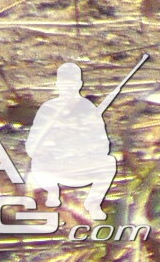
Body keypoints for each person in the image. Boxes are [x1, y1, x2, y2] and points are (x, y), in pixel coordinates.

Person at [23, 63, 117, 214]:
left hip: (76, 166)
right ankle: (52, 193)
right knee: (38, 168)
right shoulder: (49, 108)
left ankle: (93, 203)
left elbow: (103, 146)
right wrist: (53, 136)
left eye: (72, 84)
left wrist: (83, 139)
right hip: (51, 168)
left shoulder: (87, 108)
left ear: (79, 84)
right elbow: (32, 148)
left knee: (109, 162)